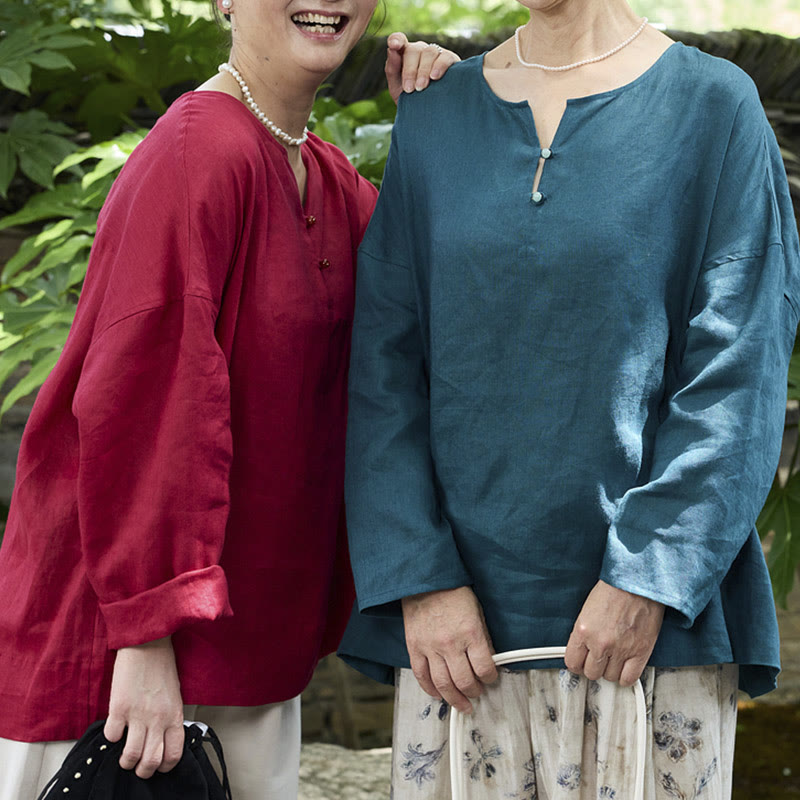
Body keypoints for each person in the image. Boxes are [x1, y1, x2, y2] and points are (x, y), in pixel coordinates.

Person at [339, 1, 800, 798]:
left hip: (645, 635)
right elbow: (385, 365)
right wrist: (419, 576)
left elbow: (742, 364)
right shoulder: (438, 114)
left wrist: (648, 576)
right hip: (460, 639)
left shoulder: (716, 108)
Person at [0, 3, 460, 798]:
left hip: (245, 654)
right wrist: (144, 642)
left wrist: (450, 130)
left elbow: (436, 323)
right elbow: (144, 401)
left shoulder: (330, 177)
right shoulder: (197, 152)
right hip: (122, 664)